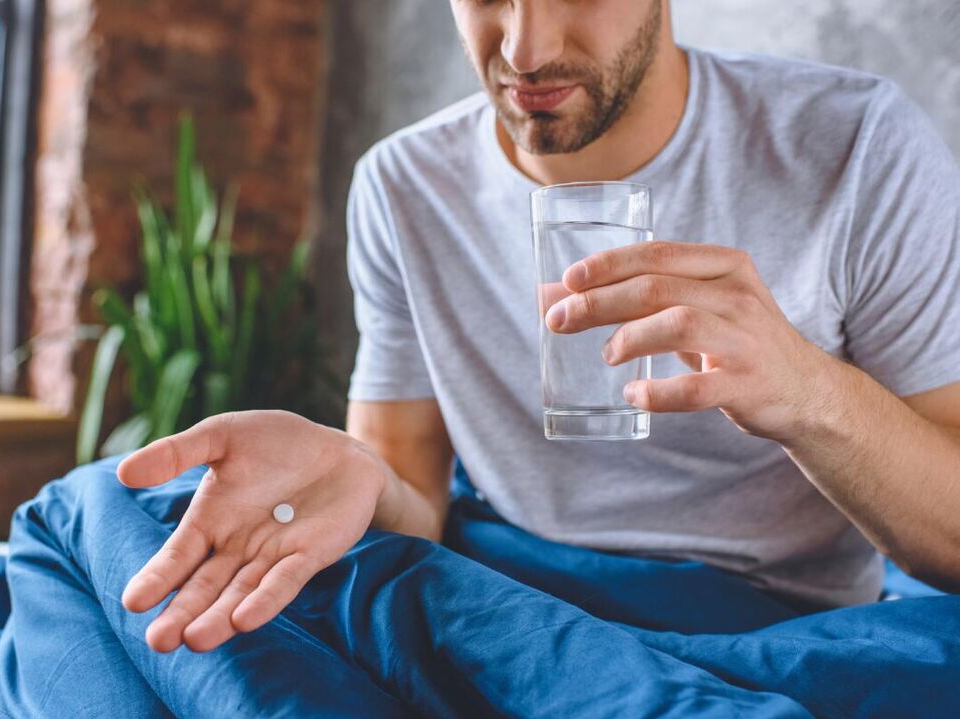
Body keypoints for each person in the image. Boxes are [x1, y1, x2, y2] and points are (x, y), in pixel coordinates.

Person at [116, 0, 960, 656]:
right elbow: (409, 500)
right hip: (512, 598)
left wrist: (806, 390)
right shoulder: (405, 184)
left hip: (762, 625)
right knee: (87, 512)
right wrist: (344, 472)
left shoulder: (852, 146)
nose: (522, 51)